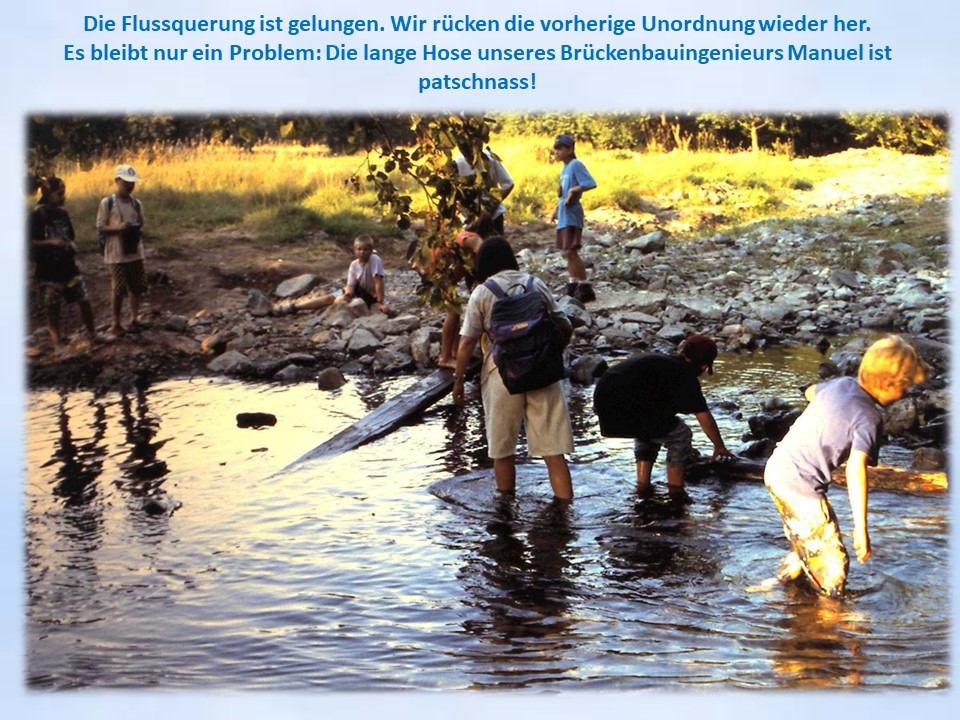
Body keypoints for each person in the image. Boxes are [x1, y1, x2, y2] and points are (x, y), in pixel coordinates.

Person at [763, 335, 927, 599]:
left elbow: (811, 391)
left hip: (776, 471)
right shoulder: (869, 418)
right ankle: (832, 618)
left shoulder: (842, 383)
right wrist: (860, 529)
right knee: (834, 563)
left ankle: (773, 586)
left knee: (806, 538)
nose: (905, 395)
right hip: (801, 485)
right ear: (888, 384)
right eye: (904, 388)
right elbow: (856, 470)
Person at [452, 236, 575, 501]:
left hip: (501, 376)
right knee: (553, 452)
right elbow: (565, 325)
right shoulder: (535, 283)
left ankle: (506, 519)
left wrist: (458, 379)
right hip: (543, 374)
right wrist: (550, 354)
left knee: (502, 451)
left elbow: (466, 343)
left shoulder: (482, 292)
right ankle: (566, 515)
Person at [593, 334, 733, 503]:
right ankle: (676, 491)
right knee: (681, 433)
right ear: (704, 366)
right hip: (625, 410)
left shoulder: (664, 364)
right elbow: (704, 417)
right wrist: (719, 446)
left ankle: (642, 486)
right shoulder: (684, 376)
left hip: (605, 407)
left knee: (654, 426)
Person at [28, 176, 99, 350]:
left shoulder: (63, 213)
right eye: (59, 194)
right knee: (52, 305)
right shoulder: (37, 215)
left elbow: (70, 236)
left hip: (68, 266)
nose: (63, 197)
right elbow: (28, 242)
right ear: (47, 193)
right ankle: (56, 340)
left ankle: (93, 334)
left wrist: (71, 245)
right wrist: (50, 242)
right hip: (48, 269)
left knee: (84, 299)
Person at [274, 235, 388, 315]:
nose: (362, 252)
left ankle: (328, 307)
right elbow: (350, 285)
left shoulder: (374, 260)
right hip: (357, 290)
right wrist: (347, 294)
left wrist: (380, 302)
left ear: (371, 250)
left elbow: (378, 282)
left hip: (370, 295)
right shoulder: (354, 265)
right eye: (359, 249)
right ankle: (295, 307)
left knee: (338, 301)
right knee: (331, 296)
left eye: (366, 249)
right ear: (354, 250)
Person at [96, 164, 147, 338]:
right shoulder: (108, 203)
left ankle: (134, 319)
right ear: (117, 181)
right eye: (126, 183)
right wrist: (117, 228)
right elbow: (100, 226)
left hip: (134, 251)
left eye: (132, 183)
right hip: (116, 253)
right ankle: (115, 322)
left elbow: (142, 224)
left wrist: (135, 230)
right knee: (118, 289)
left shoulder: (136, 203)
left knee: (137, 287)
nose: (130, 186)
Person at [550, 133, 597, 303]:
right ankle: (572, 284)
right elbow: (562, 192)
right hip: (563, 215)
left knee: (571, 250)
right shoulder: (564, 169)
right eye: (555, 149)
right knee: (567, 252)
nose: (557, 152)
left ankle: (584, 286)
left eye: (560, 149)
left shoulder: (576, 164)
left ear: (570, 149)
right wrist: (556, 208)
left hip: (572, 214)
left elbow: (590, 182)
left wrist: (574, 191)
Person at [455, 142, 514, 237]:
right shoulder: (457, 165)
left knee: (495, 247)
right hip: (470, 220)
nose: (471, 160)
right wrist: (464, 211)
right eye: (467, 156)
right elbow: (454, 194)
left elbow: (508, 184)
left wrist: (491, 206)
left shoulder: (490, 160)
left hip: (494, 217)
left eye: (472, 155)